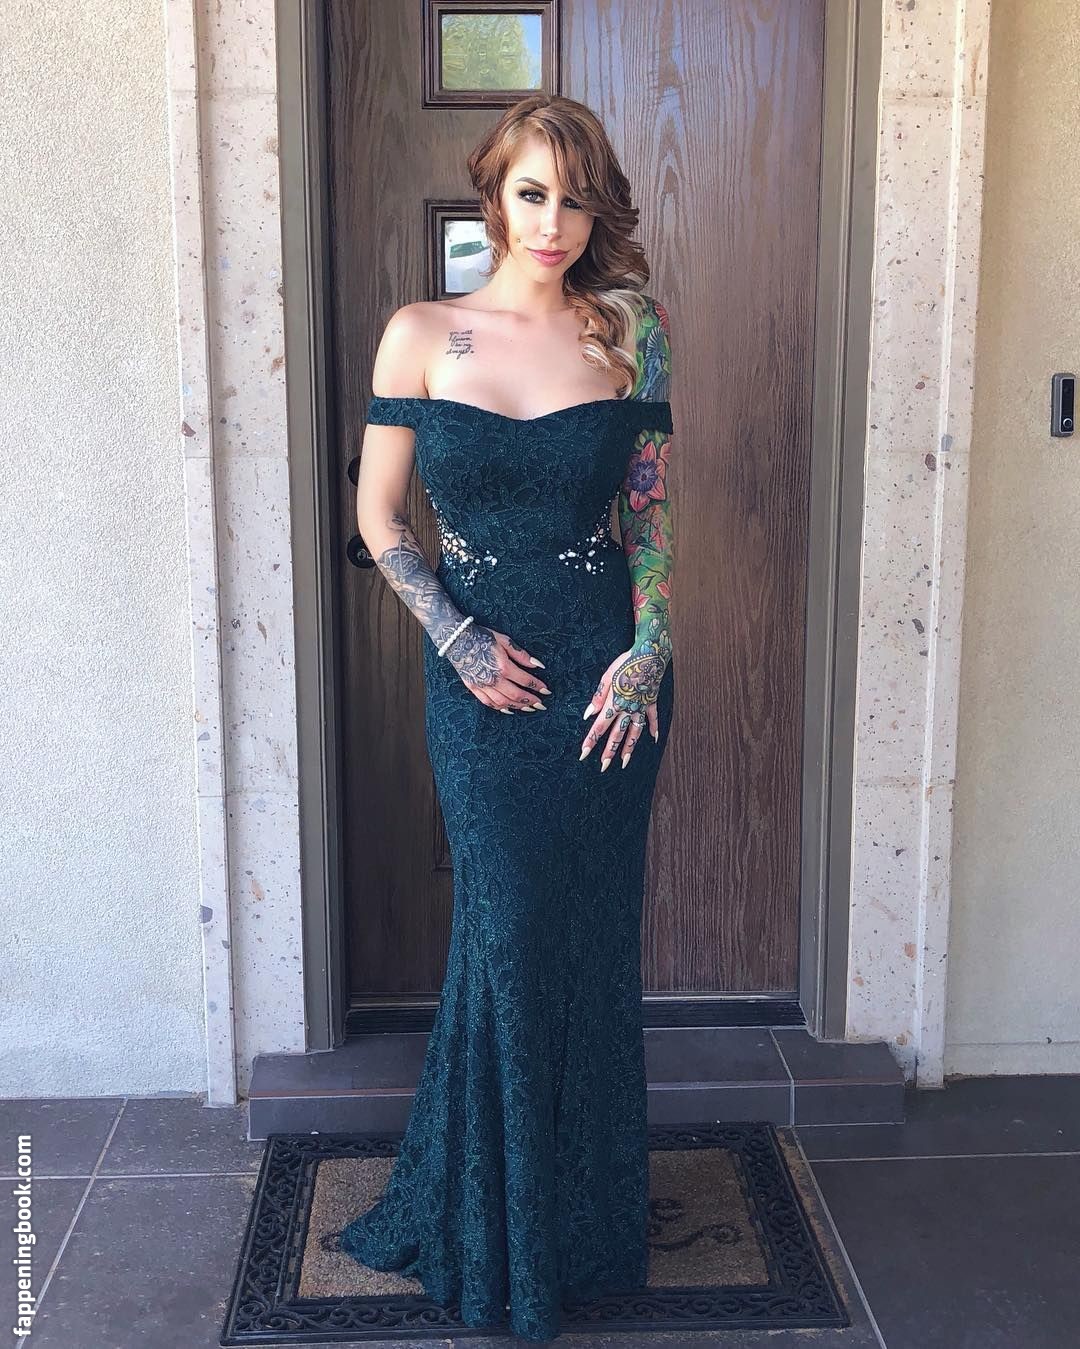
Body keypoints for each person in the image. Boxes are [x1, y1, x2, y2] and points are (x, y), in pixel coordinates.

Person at [340, 92, 675, 1344]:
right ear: (495, 193)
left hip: (607, 681)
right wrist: (459, 638)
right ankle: (497, 1228)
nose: (554, 221)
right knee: (508, 929)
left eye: (577, 198)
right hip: (481, 681)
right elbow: (380, 519)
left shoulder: (629, 331)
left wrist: (651, 649)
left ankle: (580, 1223)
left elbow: (651, 513)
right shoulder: (422, 333)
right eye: (534, 193)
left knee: (588, 939)